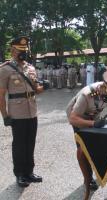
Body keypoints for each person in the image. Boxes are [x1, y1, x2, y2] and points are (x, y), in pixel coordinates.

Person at [66, 71, 107, 197]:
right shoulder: (87, 94)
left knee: (101, 146)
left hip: (93, 117)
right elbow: (73, 119)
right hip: (79, 117)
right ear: (102, 87)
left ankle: (104, 173)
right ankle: (89, 179)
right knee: (84, 151)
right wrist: (93, 124)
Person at [0, 36, 45, 187]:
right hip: (17, 113)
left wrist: (44, 87)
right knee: (19, 144)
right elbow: (1, 95)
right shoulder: (5, 69)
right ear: (12, 50)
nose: (23, 53)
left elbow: (36, 90)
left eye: (24, 50)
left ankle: (29, 172)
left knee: (30, 142)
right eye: (20, 50)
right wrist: (5, 115)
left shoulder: (30, 68)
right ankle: (20, 174)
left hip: (32, 112)